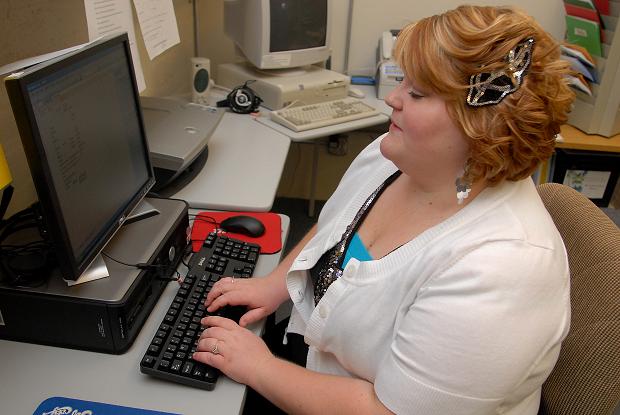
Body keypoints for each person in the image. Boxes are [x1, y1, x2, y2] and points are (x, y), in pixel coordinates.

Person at [193, 5, 575, 414]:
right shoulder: (392, 156)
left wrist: (259, 368)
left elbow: (389, 411)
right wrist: (273, 286)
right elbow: (334, 229)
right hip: (317, 364)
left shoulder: (502, 270)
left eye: (416, 92)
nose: (393, 97)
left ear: (481, 124)